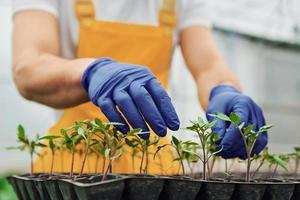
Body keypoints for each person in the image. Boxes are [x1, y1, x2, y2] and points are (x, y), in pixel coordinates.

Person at [12, 0, 267, 174]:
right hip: (72, 162)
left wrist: (224, 90)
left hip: (153, 160)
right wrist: (90, 72)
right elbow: (29, 68)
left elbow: (208, 66)